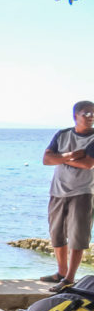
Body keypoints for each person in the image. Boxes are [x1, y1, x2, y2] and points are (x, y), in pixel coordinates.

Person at [40, 100, 94, 293]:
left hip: (83, 192)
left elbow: (88, 163)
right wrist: (72, 155)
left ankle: (70, 278)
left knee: (78, 235)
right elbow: (47, 159)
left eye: (93, 114)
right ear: (75, 116)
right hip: (57, 191)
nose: (91, 117)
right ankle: (60, 272)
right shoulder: (62, 134)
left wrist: (61, 158)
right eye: (86, 114)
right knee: (57, 233)